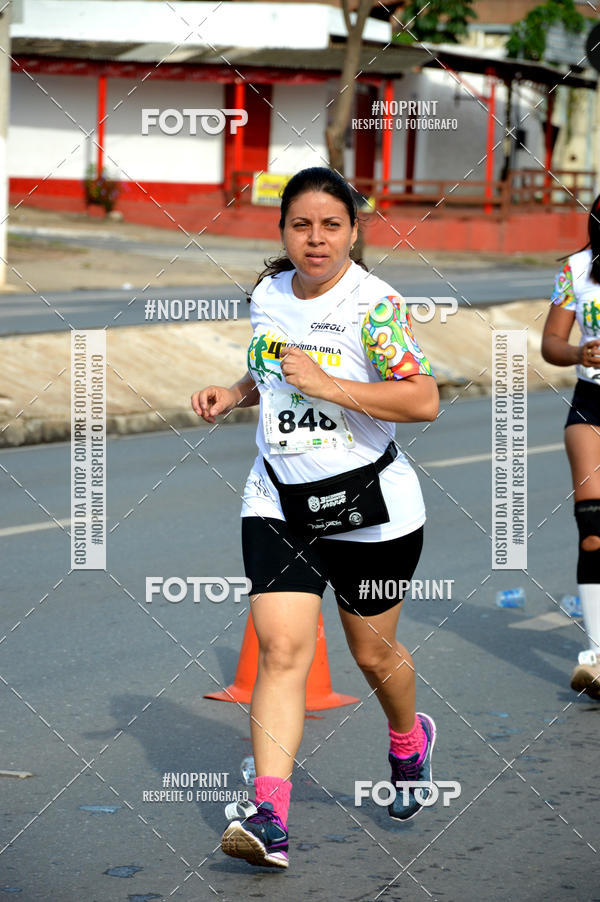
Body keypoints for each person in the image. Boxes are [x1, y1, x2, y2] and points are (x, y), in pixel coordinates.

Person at [191, 167, 439, 869]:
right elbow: (274, 370)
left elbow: (423, 400)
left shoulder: (377, 307)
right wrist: (236, 392)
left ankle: (407, 739)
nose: (316, 238)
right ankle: (270, 816)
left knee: (371, 654)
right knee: (281, 652)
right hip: (278, 498)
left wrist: (330, 384)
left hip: (369, 506)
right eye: (301, 225)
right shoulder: (268, 294)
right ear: (283, 232)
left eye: (331, 225)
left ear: (355, 232)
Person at [541, 194, 600, 699]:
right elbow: (551, 344)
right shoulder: (576, 271)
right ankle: (598, 656)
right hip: (591, 404)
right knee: (593, 528)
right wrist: (579, 349)